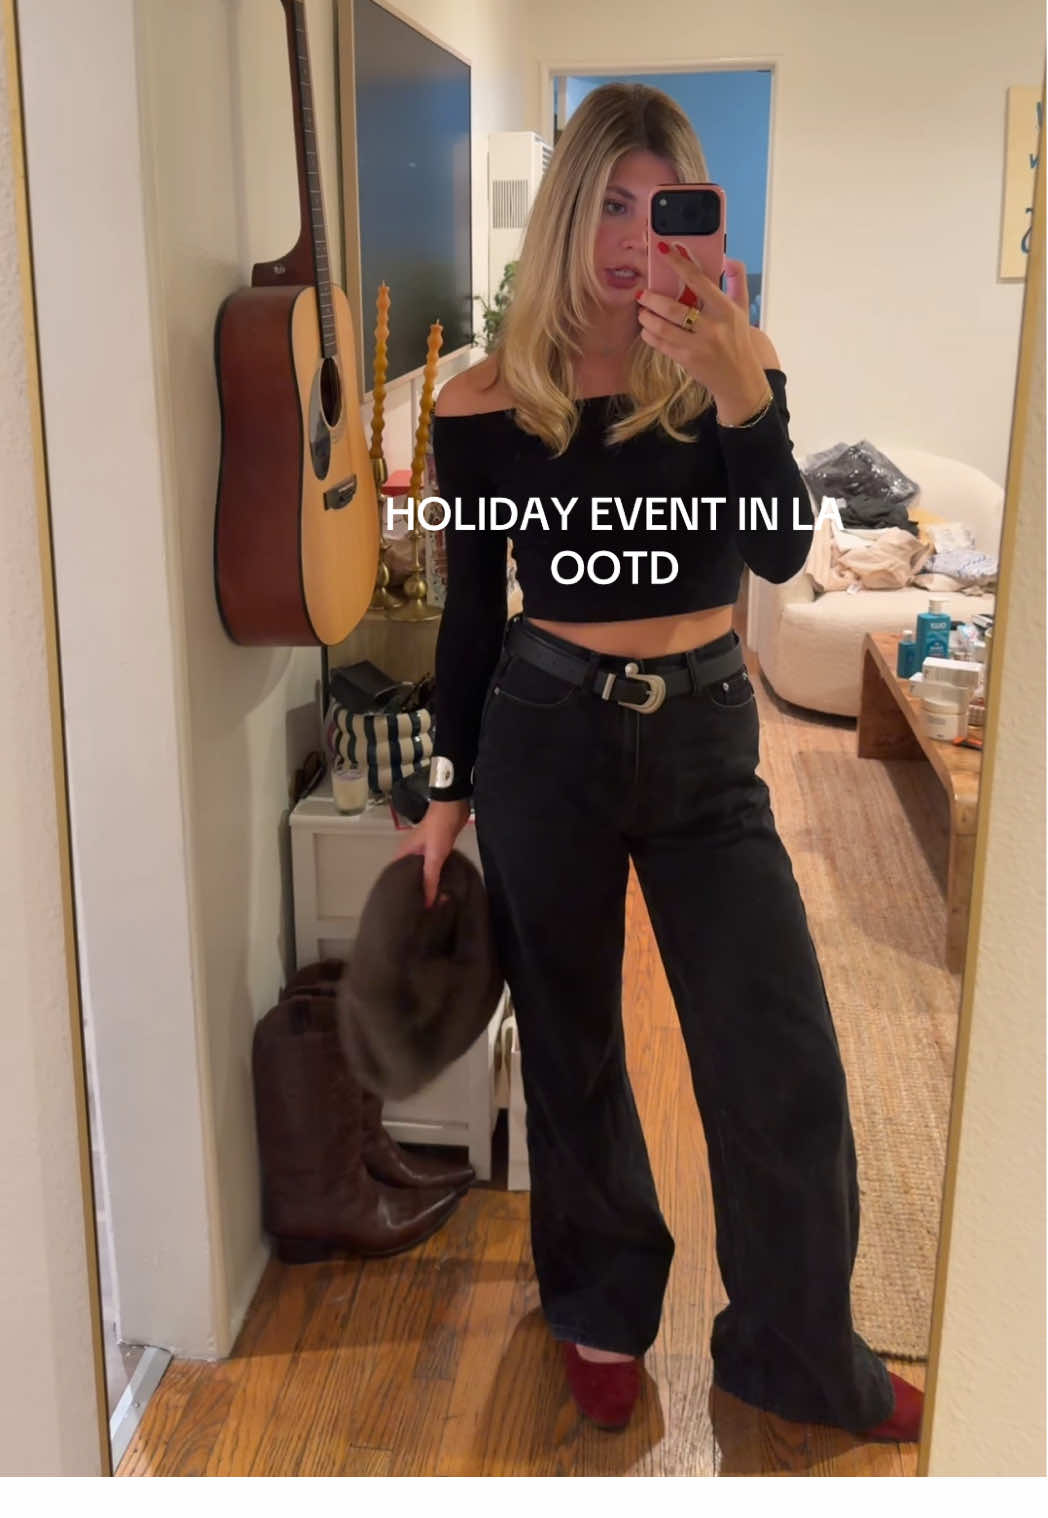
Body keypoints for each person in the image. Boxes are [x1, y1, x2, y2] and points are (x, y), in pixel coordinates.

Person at [397, 82, 923, 1443]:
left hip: (703, 737)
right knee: (570, 1045)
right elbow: (472, 609)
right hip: (547, 732)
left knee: (779, 1052)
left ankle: (796, 1351)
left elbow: (781, 553)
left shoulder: (729, 367)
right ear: (569, 214)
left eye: (665, 206)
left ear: (704, 219)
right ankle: (599, 1307)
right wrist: (446, 790)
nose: (639, 238)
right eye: (612, 205)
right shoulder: (484, 400)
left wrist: (746, 393)